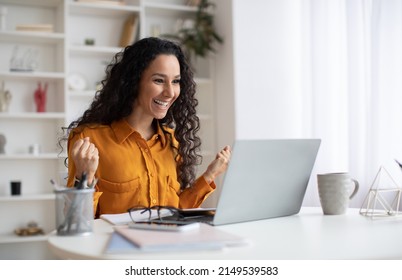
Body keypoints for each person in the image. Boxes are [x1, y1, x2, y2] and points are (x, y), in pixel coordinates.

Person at [62, 37, 231, 218]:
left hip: (168, 244)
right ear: (133, 82)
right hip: (118, 246)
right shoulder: (89, 139)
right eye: (159, 80)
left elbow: (176, 210)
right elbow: (77, 221)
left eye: (175, 81)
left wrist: (210, 175)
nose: (170, 92)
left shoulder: (171, 142)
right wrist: (84, 179)